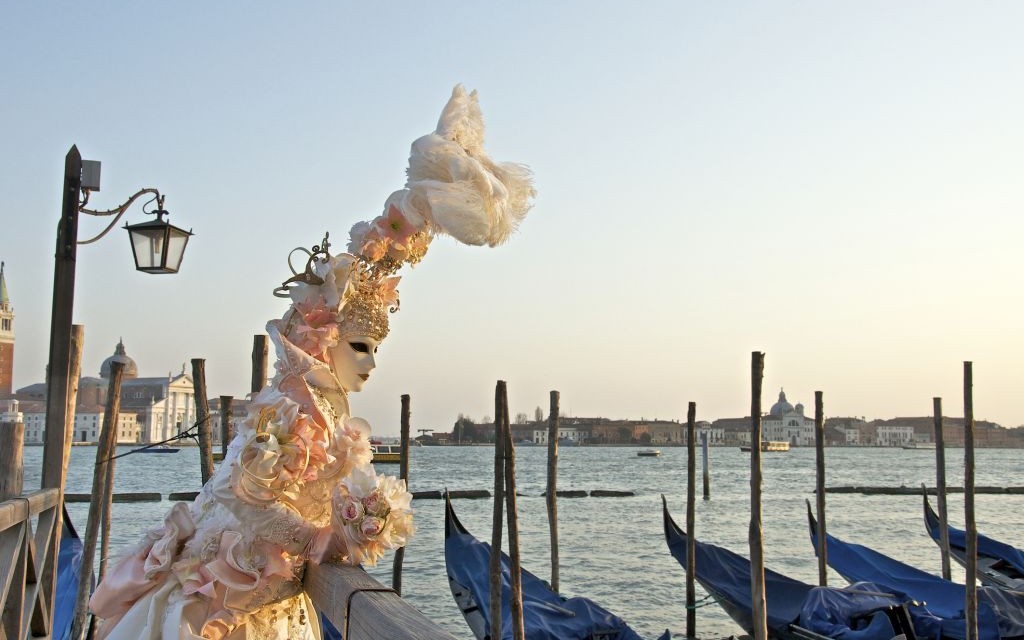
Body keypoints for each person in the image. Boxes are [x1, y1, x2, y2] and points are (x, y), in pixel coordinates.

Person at [88, 84, 534, 640]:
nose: (370, 364)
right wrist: (326, 541)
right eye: (361, 348)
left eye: (375, 349)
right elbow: (241, 497)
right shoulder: (298, 404)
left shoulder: (313, 397)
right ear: (330, 343)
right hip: (232, 608)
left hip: (265, 597)